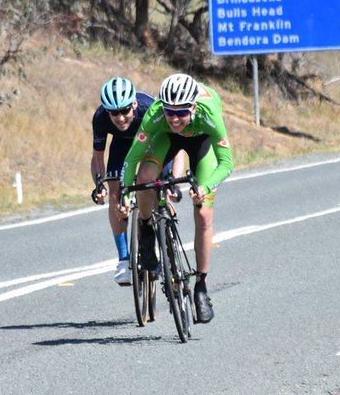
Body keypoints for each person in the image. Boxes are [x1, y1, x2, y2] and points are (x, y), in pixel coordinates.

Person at [120, 73, 233, 324]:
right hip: (165, 140)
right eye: (170, 111)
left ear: (193, 107)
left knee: (203, 213)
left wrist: (205, 186)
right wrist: (125, 193)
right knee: (144, 179)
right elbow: (131, 160)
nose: (174, 118)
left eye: (181, 112)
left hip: (202, 142)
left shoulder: (209, 112)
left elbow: (227, 163)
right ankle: (148, 229)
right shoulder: (157, 116)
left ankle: (201, 286)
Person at [90, 76, 154, 285]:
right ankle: (124, 260)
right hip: (122, 146)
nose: (120, 118)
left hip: (152, 142)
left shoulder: (148, 109)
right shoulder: (100, 117)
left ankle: (162, 237)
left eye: (125, 111)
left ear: (134, 104)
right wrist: (99, 185)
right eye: (114, 113)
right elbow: (98, 157)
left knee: (156, 186)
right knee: (115, 195)